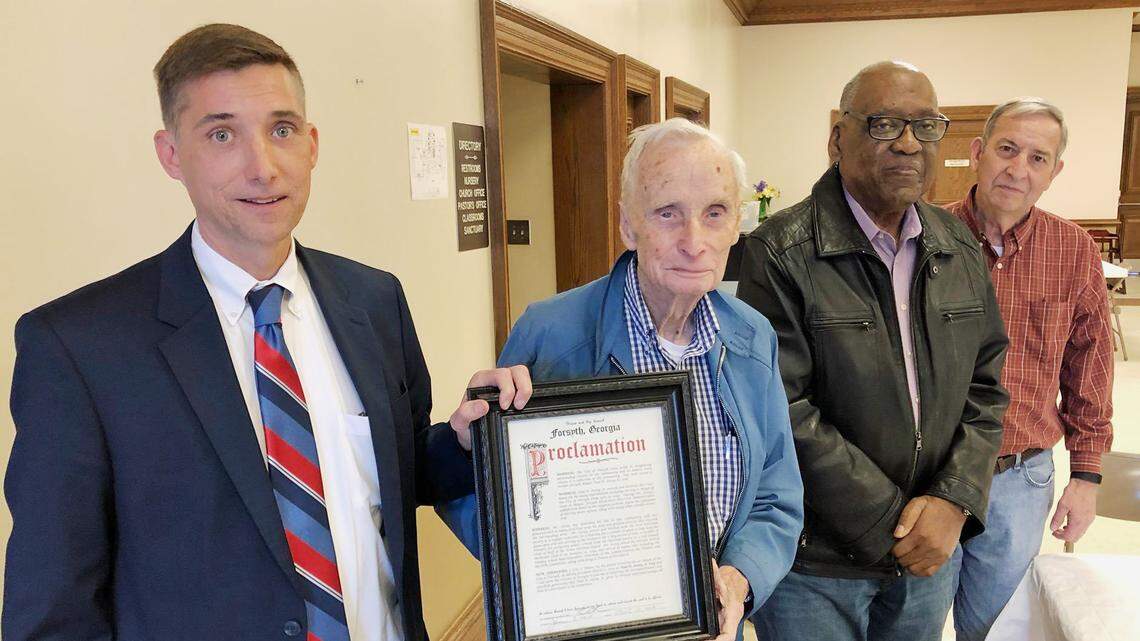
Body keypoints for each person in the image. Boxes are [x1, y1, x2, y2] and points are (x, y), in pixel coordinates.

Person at [3, 23, 529, 641]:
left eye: (281, 130)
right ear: (171, 155)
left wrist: (466, 443)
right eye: (221, 134)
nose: (262, 167)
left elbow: (392, 476)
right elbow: (53, 609)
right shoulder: (78, 347)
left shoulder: (374, 300)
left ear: (310, 143)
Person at [487, 117, 804, 641]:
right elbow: (493, 497)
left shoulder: (752, 336)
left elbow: (776, 492)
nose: (694, 241)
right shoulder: (551, 332)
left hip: (710, 626)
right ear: (628, 225)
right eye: (667, 213)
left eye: (715, 213)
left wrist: (738, 579)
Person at [738, 61, 1009, 641]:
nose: (909, 144)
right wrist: (898, 524)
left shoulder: (958, 245)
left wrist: (953, 502)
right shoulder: (780, 252)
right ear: (838, 137)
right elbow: (782, 408)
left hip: (928, 556)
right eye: (885, 124)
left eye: (925, 126)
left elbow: (985, 387)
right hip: (818, 563)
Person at [943, 97, 1113, 641]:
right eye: (1007, 149)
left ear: (1054, 172)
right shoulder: (925, 236)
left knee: (995, 630)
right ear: (978, 152)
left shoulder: (1073, 249)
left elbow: (1090, 365)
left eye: (1038, 158)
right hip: (928, 473)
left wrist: (1085, 476)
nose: (1019, 169)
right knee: (910, 622)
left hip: (1020, 474)